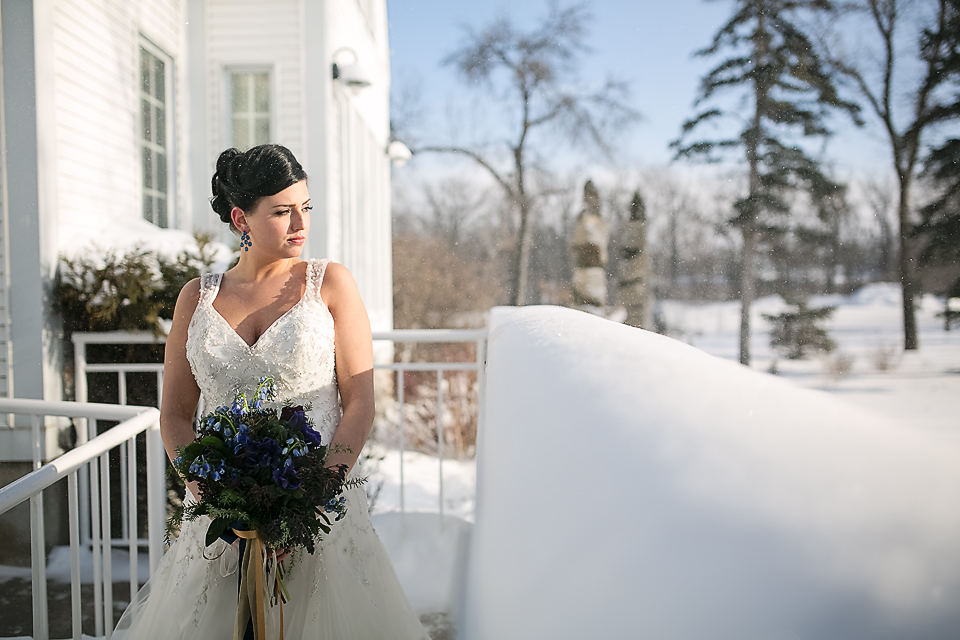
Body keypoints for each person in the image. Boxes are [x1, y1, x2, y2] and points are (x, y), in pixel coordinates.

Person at [114, 144, 430, 639]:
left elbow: (360, 404)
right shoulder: (195, 297)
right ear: (241, 217)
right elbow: (174, 416)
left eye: (305, 207)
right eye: (282, 212)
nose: (300, 223)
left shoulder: (330, 283)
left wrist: (313, 502)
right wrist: (211, 497)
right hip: (223, 520)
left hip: (318, 514)